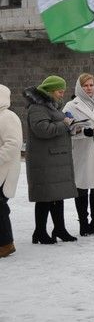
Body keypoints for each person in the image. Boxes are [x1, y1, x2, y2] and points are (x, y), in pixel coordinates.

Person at [24, 75, 78, 244]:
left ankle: (59, 229)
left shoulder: (51, 107)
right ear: (50, 91)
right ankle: (39, 232)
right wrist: (65, 124)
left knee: (57, 196)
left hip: (54, 159)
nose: (62, 94)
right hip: (45, 161)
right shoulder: (37, 108)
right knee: (45, 198)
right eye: (59, 91)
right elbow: (42, 129)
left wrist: (70, 127)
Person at [65, 73, 94, 236]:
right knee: (82, 187)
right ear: (79, 87)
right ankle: (83, 223)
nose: (89, 88)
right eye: (85, 85)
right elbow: (67, 128)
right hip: (81, 151)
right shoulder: (71, 106)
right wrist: (83, 131)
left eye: (91, 85)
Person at [0, 84, 23, 258]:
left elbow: (13, 144)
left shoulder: (7, 117)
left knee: (0, 206)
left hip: (4, 171)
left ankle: (6, 244)